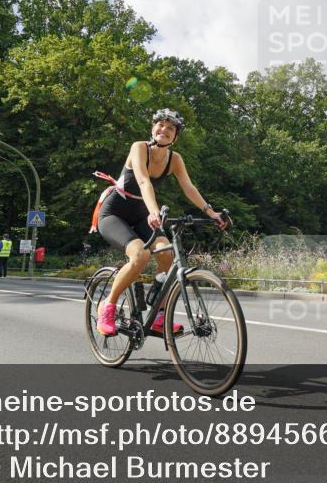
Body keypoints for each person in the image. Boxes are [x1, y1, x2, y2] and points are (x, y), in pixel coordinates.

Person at [92, 108, 227, 336]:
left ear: (176, 137)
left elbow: (189, 188)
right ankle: (108, 305)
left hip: (142, 214)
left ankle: (159, 315)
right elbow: (144, 182)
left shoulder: (175, 159)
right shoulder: (139, 147)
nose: (164, 130)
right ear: (153, 128)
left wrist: (211, 212)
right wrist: (154, 212)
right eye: (160, 125)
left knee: (167, 254)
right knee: (140, 255)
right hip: (115, 212)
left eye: (171, 128)